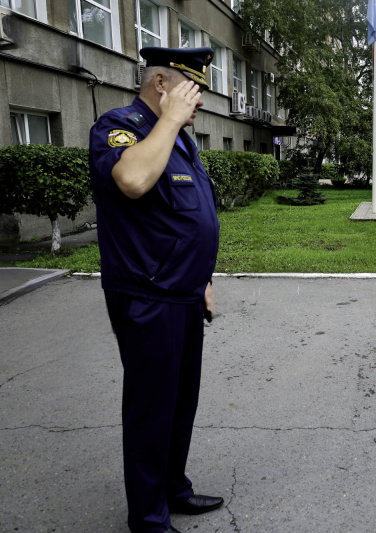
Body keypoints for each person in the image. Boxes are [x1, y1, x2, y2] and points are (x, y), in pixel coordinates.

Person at [89, 47, 223, 533]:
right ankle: (148, 519)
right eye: (194, 90)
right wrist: (168, 122)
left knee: (181, 401)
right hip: (148, 295)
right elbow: (131, 179)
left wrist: (202, 279)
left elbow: (183, 216)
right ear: (162, 84)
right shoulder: (118, 126)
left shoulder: (181, 140)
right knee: (151, 408)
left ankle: (173, 490)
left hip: (183, 292)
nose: (200, 102)